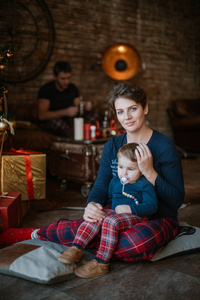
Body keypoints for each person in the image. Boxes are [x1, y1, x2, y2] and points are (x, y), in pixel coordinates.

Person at [0, 82, 185, 271]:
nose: (127, 117)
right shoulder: (112, 146)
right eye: (120, 111)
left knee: (134, 243)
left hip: (157, 218)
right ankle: (37, 234)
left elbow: (176, 200)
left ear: (145, 108)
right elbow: (101, 185)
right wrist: (92, 205)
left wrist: (149, 172)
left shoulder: (164, 146)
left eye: (133, 109)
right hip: (115, 216)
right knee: (92, 227)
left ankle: (81, 241)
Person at [58, 142, 158, 278]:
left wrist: (130, 209)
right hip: (115, 212)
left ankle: (101, 263)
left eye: (130, 169)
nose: (123, 172)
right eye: (121, 167)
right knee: (98, 215)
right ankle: (76, 247)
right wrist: (100, 210)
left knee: (111, 221)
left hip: (136, 215)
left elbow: (152, 206)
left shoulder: (144, 184)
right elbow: (110, 199)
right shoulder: (115, 181)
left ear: (141, 169)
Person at [37, 61, 92, 137]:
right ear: (55, 77)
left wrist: (85, 105)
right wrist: (65, 112)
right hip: (52, 122)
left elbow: (78, 104)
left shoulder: (72, 88)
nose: (66, 82)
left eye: (68, 78)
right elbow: (42, 115)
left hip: (68, 121)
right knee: (59, 124)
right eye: (62, 79)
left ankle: (84, 139)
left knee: (93, 116)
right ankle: (73, 141)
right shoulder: (46, 89)